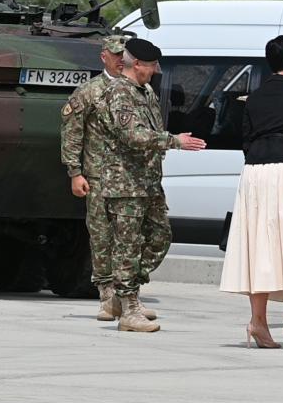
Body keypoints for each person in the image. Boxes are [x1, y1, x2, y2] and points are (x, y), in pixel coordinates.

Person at [218, 35, 283, 349]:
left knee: (259, 245)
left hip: (254, 173)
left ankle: (258, 322)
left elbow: (246, 141)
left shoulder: (253, 97)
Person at [96, 38, 207, 332]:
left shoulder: (144, 91)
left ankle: (124, 293)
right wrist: (174, 141)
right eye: (152, 65)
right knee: (127, 246)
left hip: (147, 182)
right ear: (137, 64)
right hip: (125, 184)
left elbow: (150, 131)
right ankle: (128, 309)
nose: (156, 71)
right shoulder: (119, 92)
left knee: (160, 237)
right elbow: (133, 135)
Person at [61, 35, 135, 321]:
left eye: (125, 55)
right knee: (102, 236)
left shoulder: (139, 90)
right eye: (116, 55)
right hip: (99, 176)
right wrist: (75, 172)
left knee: (132, 238)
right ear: (104, 56)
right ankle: (107, 296)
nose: (121, 60)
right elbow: (72, 133)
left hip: (132, 178)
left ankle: (129, 297)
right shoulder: (89, 91)